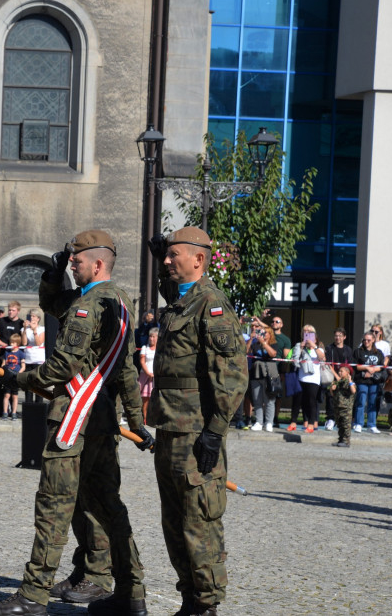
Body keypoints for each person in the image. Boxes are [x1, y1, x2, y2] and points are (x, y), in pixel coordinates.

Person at [0, 230, 152, 616]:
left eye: (75, 262)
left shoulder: (87, 306)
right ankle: (131, 592)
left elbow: (60, 369)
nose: (71, 265)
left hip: (75, 414)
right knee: (107, 505)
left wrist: (19, 378)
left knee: (54, 505)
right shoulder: (121, 302)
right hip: (104, 418)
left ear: (97, 264)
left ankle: (33, 596)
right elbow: (125, 369)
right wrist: (136, 421)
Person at [148, 227, 248, 616]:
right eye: (167, 255)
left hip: (196, 433)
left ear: (199, 259)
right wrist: (161, 263)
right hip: (170, 427)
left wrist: (215, 431)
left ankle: (206, 604)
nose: (169, 260)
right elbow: (171, 292)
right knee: (174, 521)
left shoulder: (212, 303)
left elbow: (231, 376)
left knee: (199, 520)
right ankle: (189, 598)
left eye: (175, 255)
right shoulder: (182, 300)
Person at [289, 324, 325, 433]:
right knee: (297, 401)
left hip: (313, 379)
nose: (307, 334)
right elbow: (295, 361)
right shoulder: (299, 345)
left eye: (309, 332)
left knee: (311, 401)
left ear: (314, 334)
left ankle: (311, 423)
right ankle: (293, 422)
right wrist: (300, 348)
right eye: (305, 332)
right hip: (301, 377)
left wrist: (313, 346)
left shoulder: (319, 346)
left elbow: (322, 358)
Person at [246, 323, 279, 431]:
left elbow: (272, 354)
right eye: (262, 333)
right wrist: (251, 339)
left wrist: (264, 343)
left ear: (270, 335)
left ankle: (269, 422)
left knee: (269, 399)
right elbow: (247, 352)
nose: (263, 334)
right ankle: (259, 422)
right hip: (256, 373)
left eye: (265, 333)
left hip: (270, 373)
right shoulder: (256, 344)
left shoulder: (274, 343)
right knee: (257, 399)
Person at [352, 331, 385, 434]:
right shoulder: (358, 351)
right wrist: (366, 367)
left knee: (372, 403)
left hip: (374, 381)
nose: (366, 342)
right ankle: (358, 424)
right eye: (364, 340)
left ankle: (372, 425)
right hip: (361, 381)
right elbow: (355, 366)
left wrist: (373, 371)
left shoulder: (378, 352)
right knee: (361, 401)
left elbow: (381, 366)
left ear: (373, 340)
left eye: (369, 340)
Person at [324, 328, 352, 430]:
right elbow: (327, 364)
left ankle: (341, 419)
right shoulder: (329, 348)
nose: (337, 338)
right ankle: (330, 419)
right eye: (336, 335)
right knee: (330, 397)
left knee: (344, 398)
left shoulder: (348, 350)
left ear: (344, 337)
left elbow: (349, 365)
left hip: (344, 377)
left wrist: (343, 376)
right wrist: (336, 376)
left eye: (340, 335)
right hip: (332, 376)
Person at [329, 364, 355, 447]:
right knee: (339, 424)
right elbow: (333, 394)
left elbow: (353, 391)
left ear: (347, 373)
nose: (339, 373)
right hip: (338, 406)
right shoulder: (338, 382)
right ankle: (340, 440)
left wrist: (350, 381)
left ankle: (346, 442)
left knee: (346, 425)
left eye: (341, 371)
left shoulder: (349, 382)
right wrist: (331, 389)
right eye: (339, 371)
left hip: (346, 408)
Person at [1, 333, 25, 420]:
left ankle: (14, 412)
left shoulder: (21, 353)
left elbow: (23, 366)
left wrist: (18, 374)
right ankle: (5, 412)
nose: (11, 344)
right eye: (11, 342)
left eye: (13, 343)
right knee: (6, 395)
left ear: (17, 343)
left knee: (15, 396)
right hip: (8, 377)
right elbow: (3, 364)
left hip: (15, 377)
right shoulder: (7, 353)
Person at [138, 328, 157, 422]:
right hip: (145, 376)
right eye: (150, 336)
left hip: (155, 377)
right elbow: (142, 362)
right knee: (145, 400)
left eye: (153, 336)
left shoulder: (159, 349)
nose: (151, 338)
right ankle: (144, 418)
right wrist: (148, 373)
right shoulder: (144, 348)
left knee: (154, 399)